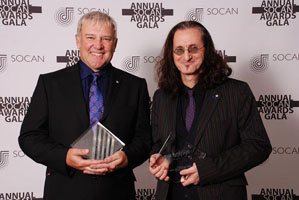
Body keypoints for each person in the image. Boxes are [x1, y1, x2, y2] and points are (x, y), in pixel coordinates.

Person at [19, 11, 151, 200]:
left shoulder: (135, 86)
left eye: (106, 38)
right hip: (65, 189)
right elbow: (29, 137)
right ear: (78, 41)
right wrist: (64, 157)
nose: (98, 45)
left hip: (117, 191)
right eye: (90, 37)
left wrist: (126, 157)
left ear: (115, 43)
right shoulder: (50, 84)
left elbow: (144, 139)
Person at [148, 21, 272, 200]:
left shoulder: (236, 92)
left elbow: (258, 146)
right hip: (171, 194)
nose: (186, 56)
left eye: (193, 48)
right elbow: (158, 143)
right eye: (179, 50)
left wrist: (208, 170)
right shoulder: (162, 97)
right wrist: (161, 158)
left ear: (206, 50)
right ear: (171, 54)